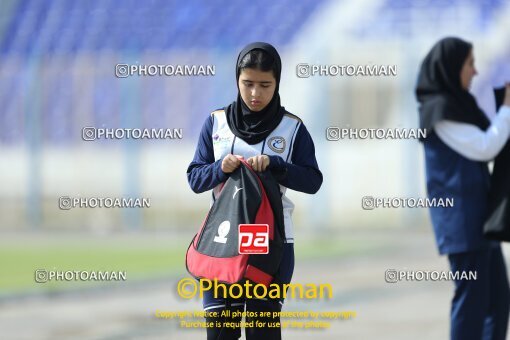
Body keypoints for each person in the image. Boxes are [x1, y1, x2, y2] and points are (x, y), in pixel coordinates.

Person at [187, 42, 323, 340]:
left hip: (271, 241)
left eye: (265, 85)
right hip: (223, 239)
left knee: (262, 333)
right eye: (247, 83)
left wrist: (276, 165)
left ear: (277, 83)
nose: (255, 94)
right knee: (221, 333)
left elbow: (313, 181)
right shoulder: (216, 122)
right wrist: (219, 168)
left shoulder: (292, 129)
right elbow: (195, 179)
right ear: (237, 79)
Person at [416, 37, 510, 340]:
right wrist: (507, 109)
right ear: (451, 67)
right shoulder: (440, 110)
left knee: (497, 301)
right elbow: (486, 147)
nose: (476, 71)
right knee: (471, 302)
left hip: (479, 221)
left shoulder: (459, 105)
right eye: (470, 63)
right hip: (463, 225)